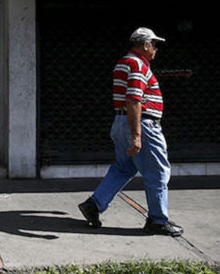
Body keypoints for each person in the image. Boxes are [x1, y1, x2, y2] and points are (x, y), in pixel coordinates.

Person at [78, 27, 183, 237]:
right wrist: (137, 136)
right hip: (141, 124)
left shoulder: (124, 62)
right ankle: (157, 220)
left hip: (121, 122)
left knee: (123, 167)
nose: (155, 49)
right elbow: (134, 99)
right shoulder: (137, 64)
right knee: (159, 172)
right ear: (144, 45)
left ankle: (94, 205)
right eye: (154, 44)